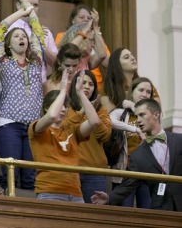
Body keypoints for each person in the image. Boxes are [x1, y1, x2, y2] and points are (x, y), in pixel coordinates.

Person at [0, 0, 45, 191]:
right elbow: (0, 29)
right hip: (9, 125)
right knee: (11, 176)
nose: (21, 38)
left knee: (31, 179)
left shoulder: (36, 61)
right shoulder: (3, 61)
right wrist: (21, 12)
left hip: (33, 127)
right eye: (16, 36)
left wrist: (28, 7)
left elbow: (37, 32)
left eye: (24, 36)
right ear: (9, 43)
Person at [92, 98, 182, 211]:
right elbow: (128, 184)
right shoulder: (138, 155)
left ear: (156, 115)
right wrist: (109, 197)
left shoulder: (179, 141)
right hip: (161, 209)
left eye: (142, 115)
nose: (138, 120)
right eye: (137, 116)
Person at [29, 70, 100, 203]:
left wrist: (80, 94)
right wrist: (63, 91)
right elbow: (51, 116)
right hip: (49, 191)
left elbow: (94, 122)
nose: (63, 109)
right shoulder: (36, 128)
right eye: (59, 105)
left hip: (75, 192)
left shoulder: (72, 129)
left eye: (65, 106)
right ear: (46, 107)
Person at [66, 70, 112, 203]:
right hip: (70, 170)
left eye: (91, 84)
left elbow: (105, 135)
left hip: (95, 170)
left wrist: (92, 111)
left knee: (94, 216)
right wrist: (84, 111)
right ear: (75, 84)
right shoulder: (66, 107)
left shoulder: (100, 110)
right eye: (83, 82)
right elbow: (67, 130)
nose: (86, 86)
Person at [108, 77, 152, 208]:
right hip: (124, 172)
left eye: (148, 92)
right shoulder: (121, 113)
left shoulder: (154, 114)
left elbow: (154, 126)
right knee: (123, 214)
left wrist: (135, 107)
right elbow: (111, 121)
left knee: (147, 214)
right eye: (141, 90)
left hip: (146, 173)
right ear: (132, 92)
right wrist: (136, 129)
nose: (144, 94)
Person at [54, 4, 111, 92]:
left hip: (85, 90)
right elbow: (69, 50)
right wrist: (85, 31)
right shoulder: (64, 42)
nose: (86, 20)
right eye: (82, 17)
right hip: (65, 89)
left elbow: (103, 54)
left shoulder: (87, 59)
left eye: (89, 18)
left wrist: (95, 28)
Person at [6, 0, 57, 81]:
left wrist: (40, 43)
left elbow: (56, 64)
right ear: (18, 5)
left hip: (39, 88)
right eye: (28, 4)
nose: (32, 8)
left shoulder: (45, 32)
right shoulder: (8, 29)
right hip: (14, 85)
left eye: (35, 5)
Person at [101, 47, 160, 113]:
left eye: (132, 55)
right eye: (126, 57)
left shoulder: (146, 85)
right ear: (117, 64)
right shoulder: (109, 87)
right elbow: (109, 118)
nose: (133, 58)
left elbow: (157, 113)